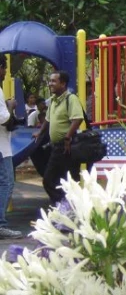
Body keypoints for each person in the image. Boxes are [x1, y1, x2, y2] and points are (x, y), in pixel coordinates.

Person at [35, 70, 84, 204]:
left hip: (67, 146)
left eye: (53, 81)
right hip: (56, 147)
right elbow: (48, 119)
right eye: (50, 81)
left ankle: (70, 208)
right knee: (49, 180)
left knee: (69, 180)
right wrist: (40, 133)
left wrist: (68, 137)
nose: (50, 84)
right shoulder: (53, 101)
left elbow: (77, 119)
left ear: (63, 84)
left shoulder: (71, 99)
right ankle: (63, 205)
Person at [0, 58, 23, 239]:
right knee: (6, 182)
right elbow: (4, 119)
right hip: (1, 147)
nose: (6, 72)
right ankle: (1, 225)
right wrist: (10, 106)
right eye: (5, 68)